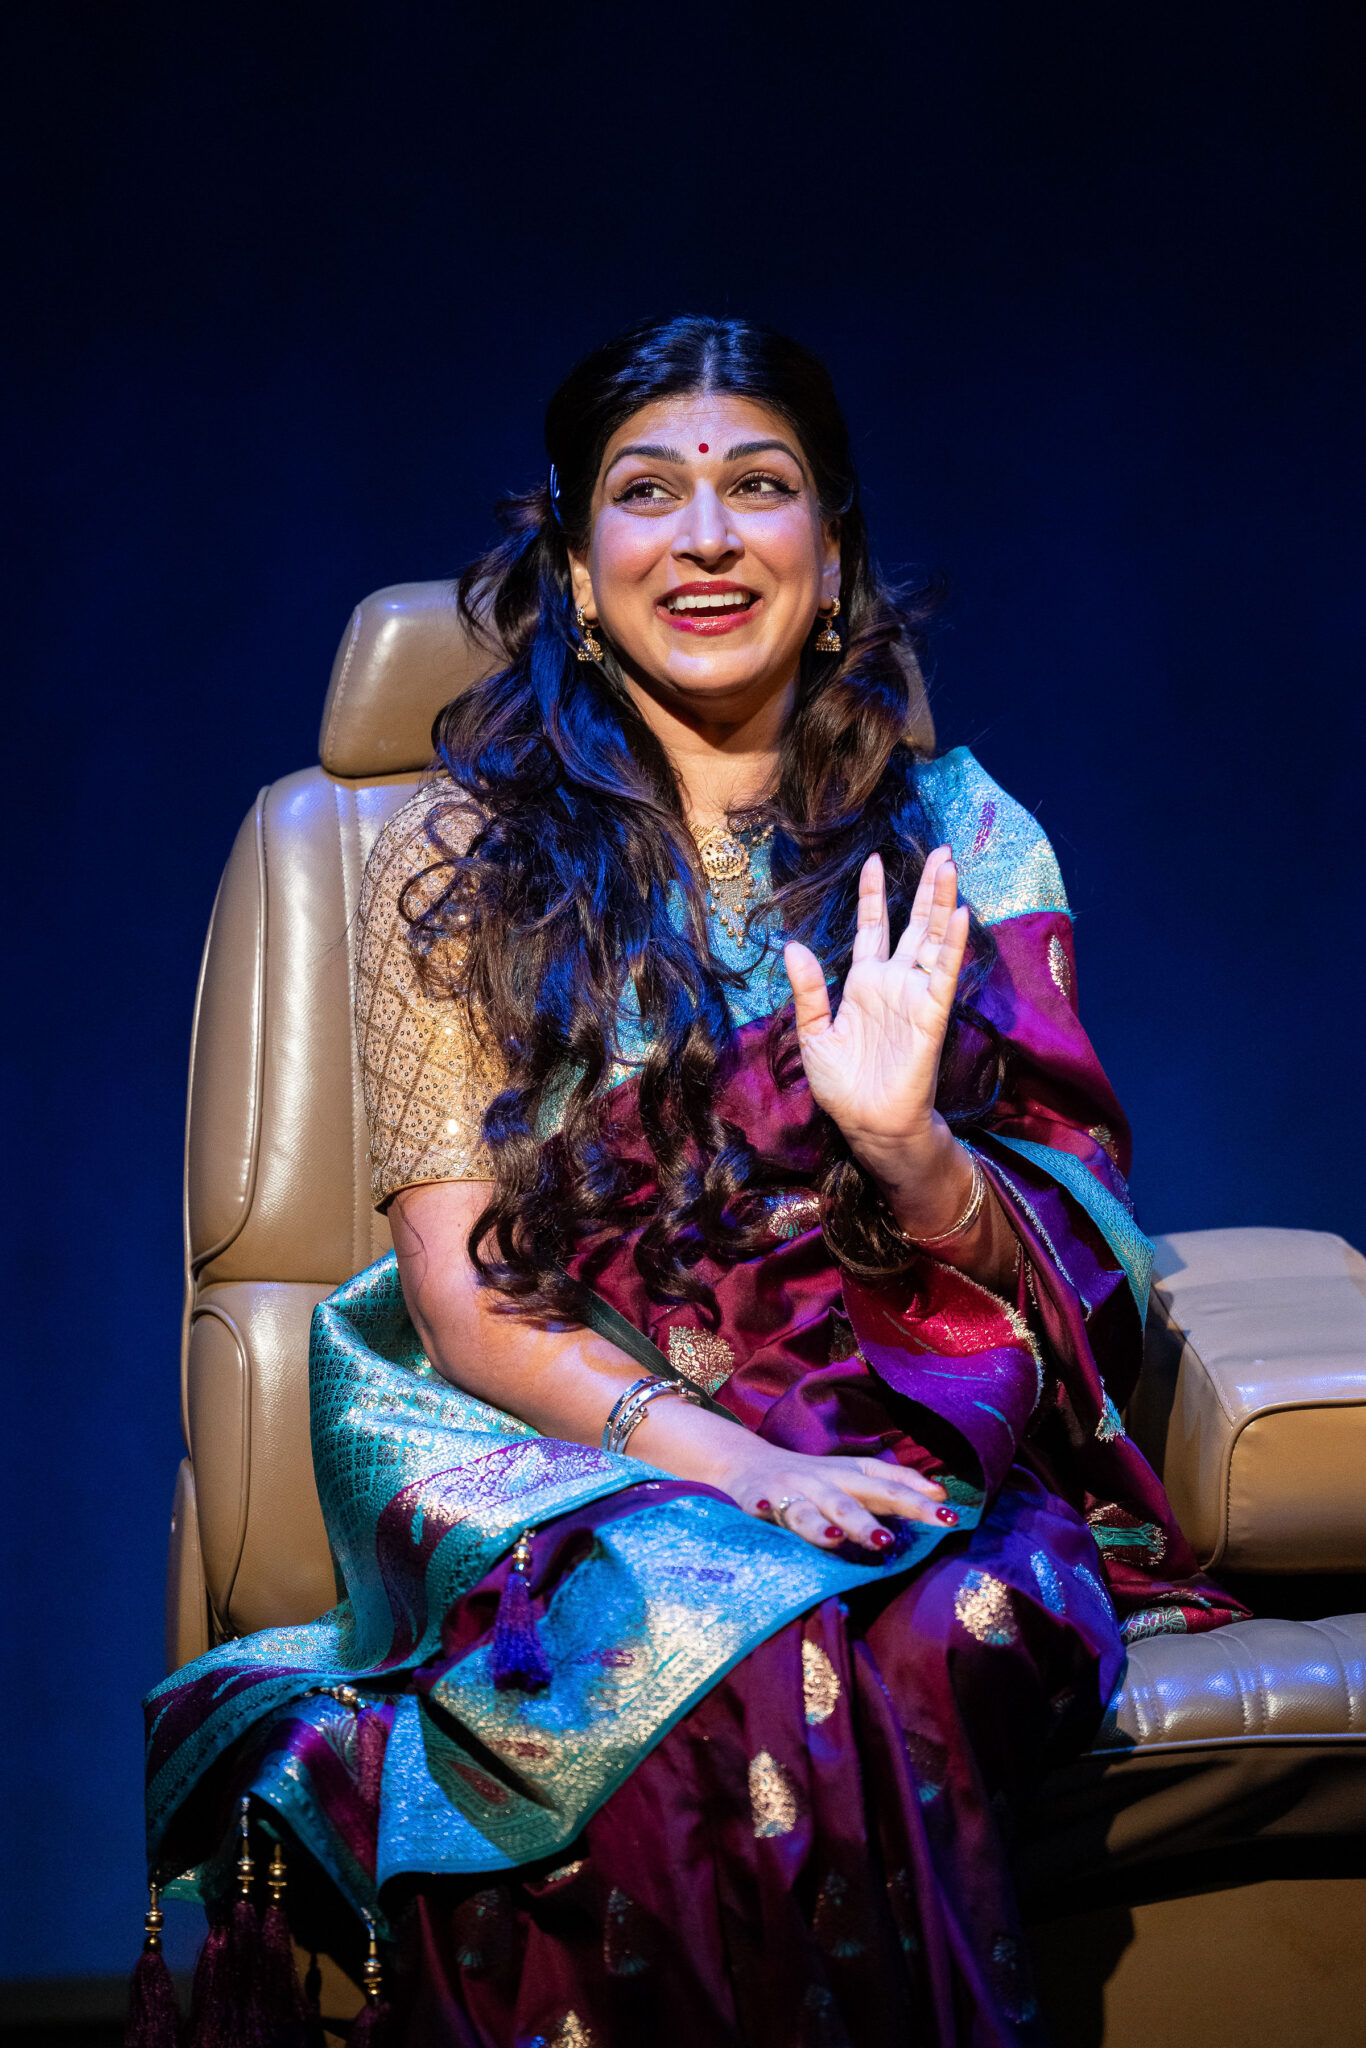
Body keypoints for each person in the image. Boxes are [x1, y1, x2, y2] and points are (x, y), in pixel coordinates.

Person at [143, 317, 1246, 2048]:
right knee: (690, 1632)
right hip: (542, 1424)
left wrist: (905, 1147)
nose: (709, 535)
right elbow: (462, 1288)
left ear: (832, 559)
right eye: (648, 496)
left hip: (902, 1426)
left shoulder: (967, 835)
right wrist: (723, 1460)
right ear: (581, 576)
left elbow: (1061, 1268)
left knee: (940, 1628)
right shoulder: (457, 856)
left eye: (761, 487)